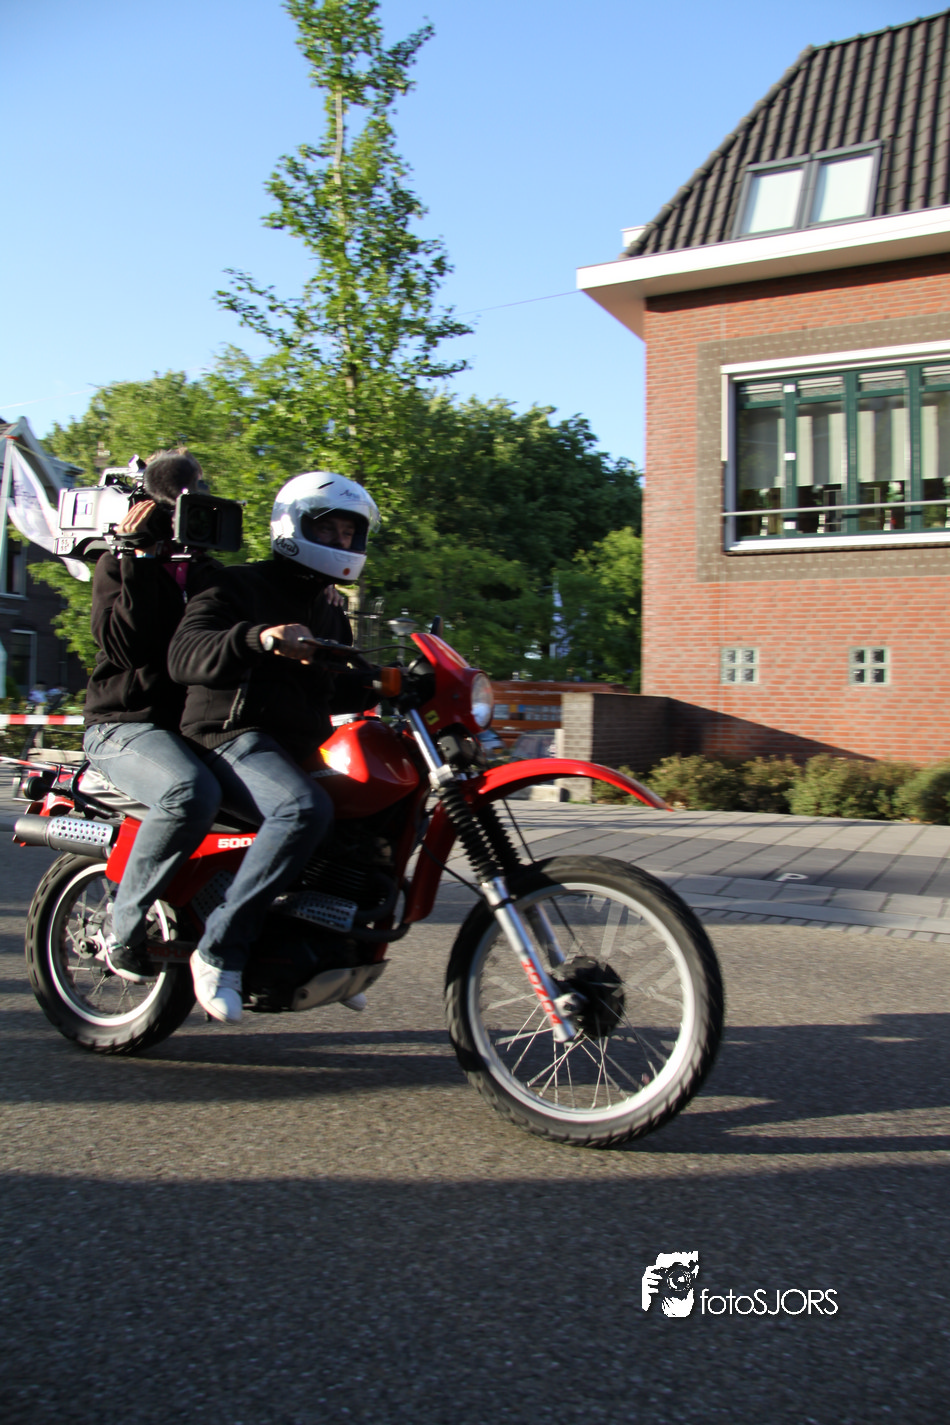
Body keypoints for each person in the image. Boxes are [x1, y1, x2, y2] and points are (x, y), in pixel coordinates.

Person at [168, 471, 381, 1025]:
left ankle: (328, 947)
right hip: (228, 734)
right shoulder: (237, 585)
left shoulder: (329, 609)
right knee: (302, 809)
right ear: (293, 526)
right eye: (328, 529)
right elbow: (184, 654)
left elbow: (340, 684)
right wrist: (258, 638)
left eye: (348, 532)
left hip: (294, 744)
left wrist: (394, 682)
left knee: (372, 807)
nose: (340, 541)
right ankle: (218, 951)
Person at [83, 450, 223, 983]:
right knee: (191, 793)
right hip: (124, 723)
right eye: (183, 499)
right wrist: (137, 558)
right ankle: (123, 926)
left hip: (190, 728)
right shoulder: (116, 565)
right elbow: (124, 647)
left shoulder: (209, 572)